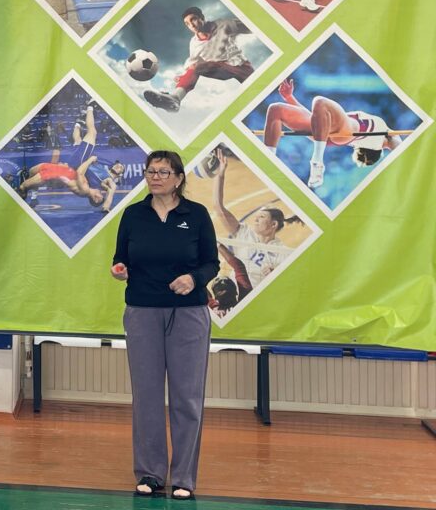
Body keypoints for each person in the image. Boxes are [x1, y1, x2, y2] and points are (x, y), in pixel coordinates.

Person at [111, 150, 219, 501]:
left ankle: (184, 476)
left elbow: (212, 263)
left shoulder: (196, 215)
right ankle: (150, 472)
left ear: (178, 178)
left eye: (163, 172)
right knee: (147, 396)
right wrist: (119, 270)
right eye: (150, 171)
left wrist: (194, 278)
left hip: (188, 314)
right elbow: (120, 258)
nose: (155, 177)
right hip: (142, 312)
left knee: (187, 397)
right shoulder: (133, 215)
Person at [263, 79, 401, 190]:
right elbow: (316, 118)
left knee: (320, 101)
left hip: (344, 131)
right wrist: (289, 97)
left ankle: (317, 163)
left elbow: (401, 150)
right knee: (275, 109)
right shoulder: (383, 137)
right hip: (326, 132)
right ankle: (269, 163)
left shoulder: (382, 141)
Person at [210, 148, 298, 301]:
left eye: (261, 217)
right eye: (256, 216)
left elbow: (290, 287)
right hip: (232, 295)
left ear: (273, 224)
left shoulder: (282, 252)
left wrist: (275, 275)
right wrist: (220, 174)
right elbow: (218, 208)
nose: (255, 220)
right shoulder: (245, 233)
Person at [144, 5, 254, 113]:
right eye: (187, 24)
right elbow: (193, 63)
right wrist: (184, 78)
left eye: (193, 19)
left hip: (240, 65)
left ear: (202, 18)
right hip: (220, 69)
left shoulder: (224, 24)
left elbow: (252, 26)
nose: (192, 25)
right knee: (197, 67)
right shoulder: (194, 43)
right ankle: (175, 98)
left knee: (256, 88)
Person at [16, 104, 106, 209]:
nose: (101, 193)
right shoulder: (86, 190)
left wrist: (91, 159)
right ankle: (33, 197)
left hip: (62, 170)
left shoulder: (85, 190)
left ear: (96, 199)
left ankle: (90, 105)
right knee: (31, 172)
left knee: (92, 132)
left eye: (101, 196)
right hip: (64, 169)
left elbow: (79, 172)